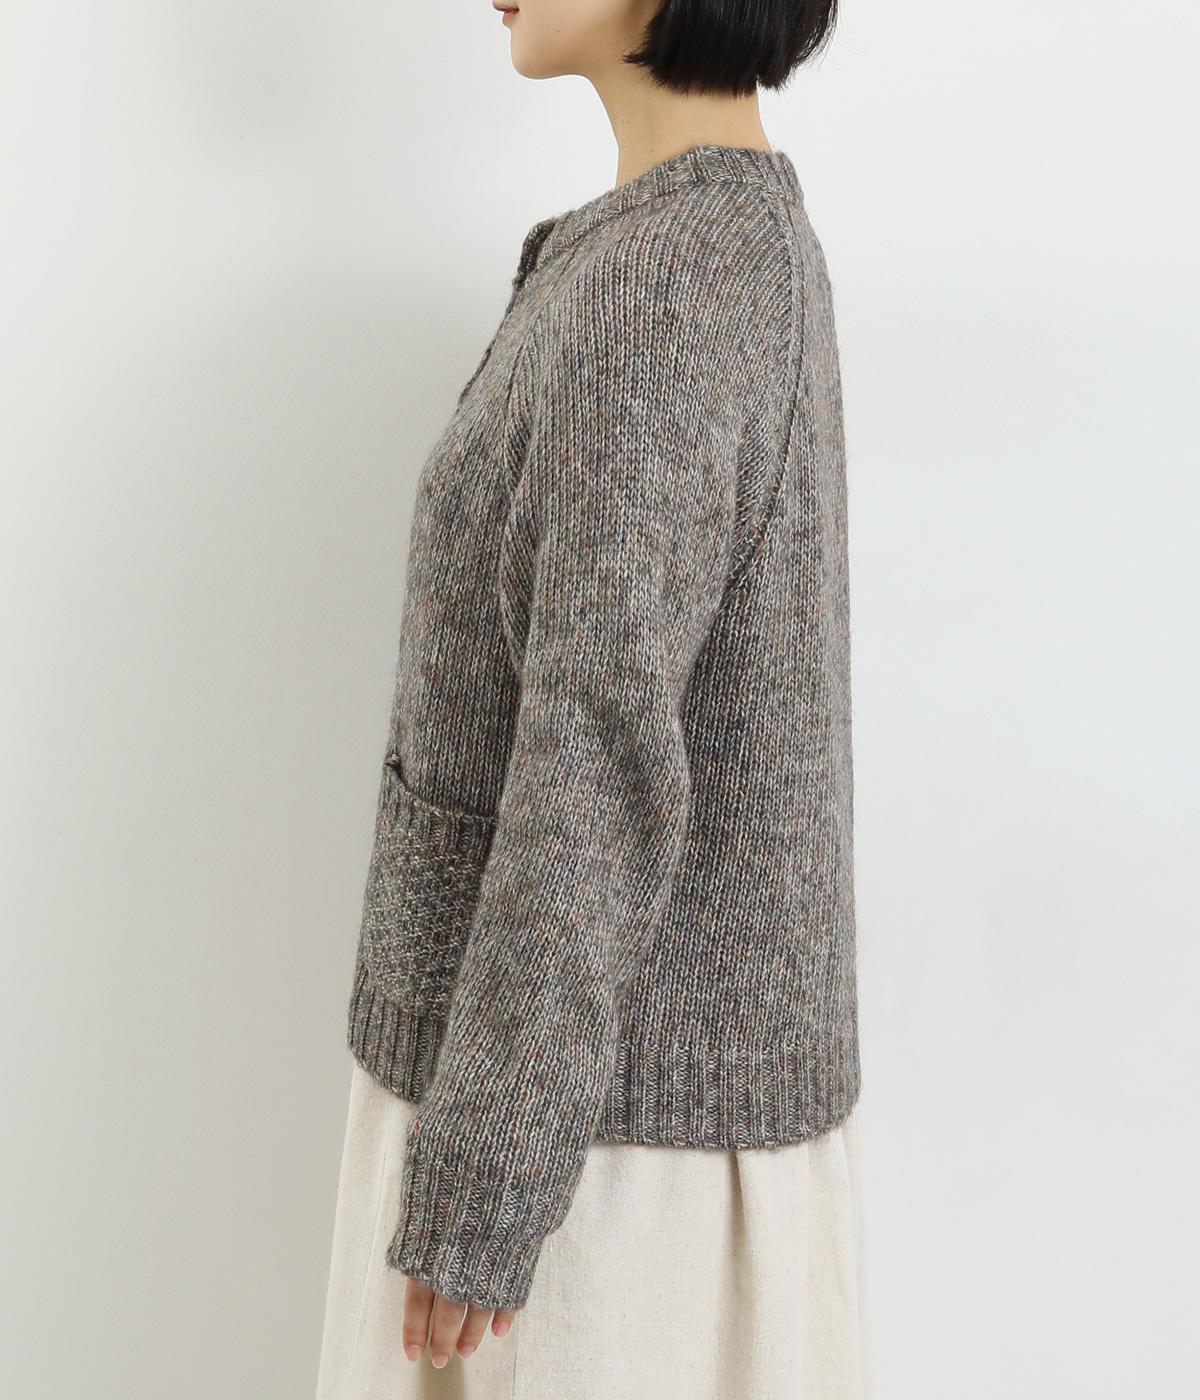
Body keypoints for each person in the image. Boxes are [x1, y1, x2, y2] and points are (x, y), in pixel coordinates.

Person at [316, 1, 869, 1395]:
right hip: (585, 1101)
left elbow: (600, 752)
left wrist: (486, 1181)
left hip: (596, 1167)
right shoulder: (713, 244)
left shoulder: (667, 281)